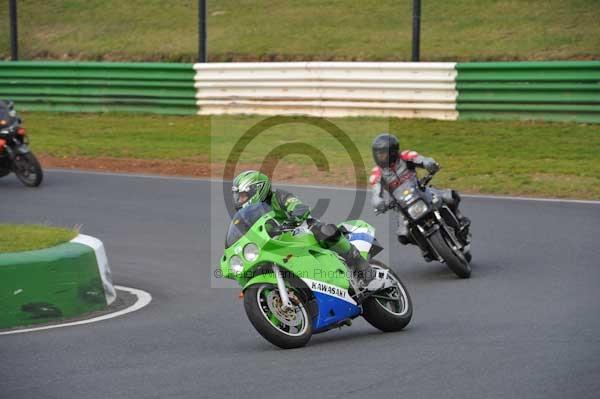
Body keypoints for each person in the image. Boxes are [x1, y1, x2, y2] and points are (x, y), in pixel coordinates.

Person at [232, 170, 380, 290]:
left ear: (258, 189)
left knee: (326, 231)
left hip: (301, 230)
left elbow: (297, 205)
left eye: (243, 196)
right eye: (238, 197)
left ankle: (361, 266)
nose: (240, 200)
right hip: (277, 244)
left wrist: (296, 213)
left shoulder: (279, 196)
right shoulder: (247, 216)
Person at [370, 133, 470, 250]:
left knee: (450, 196)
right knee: (403, 235)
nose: (380, 156)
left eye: (383, 153)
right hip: (402, 206)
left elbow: (419, 159)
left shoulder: (404, 156)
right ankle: (426, 247)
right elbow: (375, 189)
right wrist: (377, 200)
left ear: (392, 151)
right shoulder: (377, 172)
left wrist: (428, 163)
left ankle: (460, 220)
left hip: (421, 190)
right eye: (378, 153)